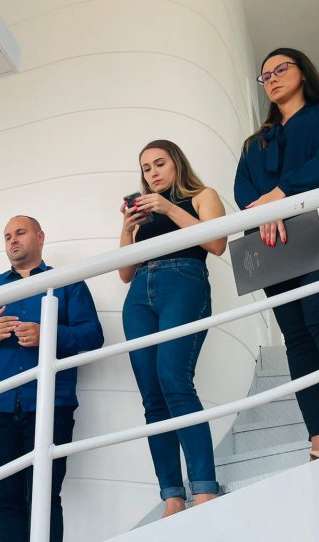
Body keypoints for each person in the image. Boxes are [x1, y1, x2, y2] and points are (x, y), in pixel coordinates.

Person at [0, 215, 104, 542]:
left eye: (20, 232)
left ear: (40, 237)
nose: (13, 240)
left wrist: (48, 333)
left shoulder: (67, 282)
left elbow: (93, 336)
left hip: (52, 404)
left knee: (45, 497)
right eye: (7, 235)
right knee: (8, 501)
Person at [234, 47, 319, 460]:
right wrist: (264, 210)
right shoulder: (255, 143)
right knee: (296, 337)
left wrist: (282, 195)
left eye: (281, 69)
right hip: (274, 245)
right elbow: (245, 190)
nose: (273, 78)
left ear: (304, 70)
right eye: (265, 76)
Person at [119, 140, 226, 517]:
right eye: (146, 168)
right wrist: (127, 228)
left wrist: (167, 207)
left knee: (173, 379)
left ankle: (205, 489)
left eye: (159, 163)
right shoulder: (144, 214)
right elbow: (124, 272)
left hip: (183, 280)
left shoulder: (202, 195)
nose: (153, 173)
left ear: (177, 162)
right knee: (152, 395)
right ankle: (172, 496)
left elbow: (216, 243)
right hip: (139, 293)